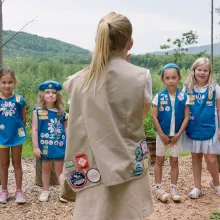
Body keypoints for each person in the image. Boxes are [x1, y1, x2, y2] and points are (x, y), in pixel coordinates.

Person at [60, 11, 154, 220]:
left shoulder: (77, 80)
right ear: (130, 43)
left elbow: (77, 117)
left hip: (91, 165)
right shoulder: (141, 76)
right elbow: (141, 113)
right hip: (127, 163)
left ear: (98, 40)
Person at [182, 57, 220, 198]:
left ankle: (216, 184)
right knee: (196, 157)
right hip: (193, 128)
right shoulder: (187, 87)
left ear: (209, 72)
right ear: (194, 70)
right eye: (199, 70)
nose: (202, 73)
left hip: (210, 128)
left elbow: (219, 109)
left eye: (205, 70)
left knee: (211, 159)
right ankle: (197, 187)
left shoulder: (214, 88)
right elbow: (182, 108)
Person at [152, 63, 190, 202]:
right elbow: (154, 117)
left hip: (176, 135)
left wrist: (179, 134)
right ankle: (158, 188)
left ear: (179, 78)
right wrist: (161, 135)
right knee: (159, 160)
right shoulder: (159, 96)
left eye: (174, 77)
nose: (171, 80)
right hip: (162, 135)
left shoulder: (183, 96)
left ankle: (173, 188)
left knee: (174, 161)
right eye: (167, 78)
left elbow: (186, 117)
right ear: (163, 79)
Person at [32, 80, 68, 202]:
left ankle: (62, 192)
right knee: (45, 169)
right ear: (42, 95)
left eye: (54, 92)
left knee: (60, 171)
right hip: (45, 147)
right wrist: (36, 147)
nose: (51, 94)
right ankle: (45, 190)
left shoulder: (63, 114)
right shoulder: (37, 112)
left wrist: (69, 145)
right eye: (47, 92)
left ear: (58, 96)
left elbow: (67, 129)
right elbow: (35, 130)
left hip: (60, 146)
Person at [0, 68, 27, 204]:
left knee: (17, 164)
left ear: (15, 82)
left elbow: (23, 119)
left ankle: (19, 191)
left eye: (10, 82)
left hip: (17, 137)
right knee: (3, 164)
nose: (7, 85)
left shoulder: (19, 99)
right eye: (3, 82)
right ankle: (4, 190)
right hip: (1, 137)